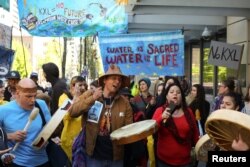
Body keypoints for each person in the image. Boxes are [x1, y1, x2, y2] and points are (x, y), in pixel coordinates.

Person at [69, 64, 133, 167]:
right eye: (114, 78)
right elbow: (72, 112)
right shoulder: (90, 94)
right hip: (93, 156)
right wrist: (93, 98)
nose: (117, 82)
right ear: (105, 80)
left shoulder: (125, 103)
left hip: (115, 158)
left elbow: (129, 129)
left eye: (120, 80)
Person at [0, 78, 51, 166]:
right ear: (17, 93)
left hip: (43, 161)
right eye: (28, 96)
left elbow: (49, 128)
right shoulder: (3, 110)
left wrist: (46, 139)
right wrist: (9, 136)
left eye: (35, 96)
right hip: (17, 162)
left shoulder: (41, 105)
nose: (33, 100)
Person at [152, 82, 199, 167]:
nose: (175, 94)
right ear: (166, 96)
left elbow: (195, 132)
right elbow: (152, 129)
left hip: (185, 161)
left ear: (182, 97)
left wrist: (200, 148)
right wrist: (161, 117)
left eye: (178, 92)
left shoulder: (188, 112)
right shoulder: (160, 111)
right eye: (172, 92)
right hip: (164, 161)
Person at [59, 76, 87, 161]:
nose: (83, 88)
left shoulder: (85, 96)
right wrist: (76, 97)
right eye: (80, 85)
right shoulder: (64, 97)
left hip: (83, 139)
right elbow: (67, 115)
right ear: (72, 86)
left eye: (84, 85)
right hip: (69, 139)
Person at [42, 62, 67, 137]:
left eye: (44, 73)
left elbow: (59, 111)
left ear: (48, 74)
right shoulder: (59, 85)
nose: (44, 76)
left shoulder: (58, 87)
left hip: (60, 129)